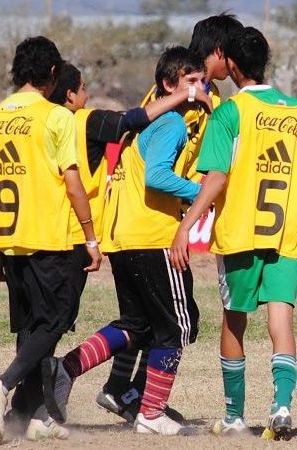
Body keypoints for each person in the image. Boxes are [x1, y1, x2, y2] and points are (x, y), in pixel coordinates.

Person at [169, 27, 297, 439]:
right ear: (265, 62)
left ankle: (234, 417)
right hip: (286, 234)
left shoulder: (230, 113)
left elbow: (216, 177)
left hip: (240, 235)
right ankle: (282, 406)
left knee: (234, 321)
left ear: (231, 65)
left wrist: (185, 225)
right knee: (280, 318)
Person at [41, 46, 208, 436]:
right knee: (177, 327)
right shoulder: (172, 123)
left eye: (203, 80)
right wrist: (201, 193)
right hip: (152, 235)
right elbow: (157, 176)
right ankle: (151, 411)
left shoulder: (147, 123)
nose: (201, 88)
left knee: (138, 325)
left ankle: (67, 367)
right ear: (169, 84)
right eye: (192, 81)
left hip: (123, 237)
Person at [94, 13, 245, 425]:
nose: (235, 65)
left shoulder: (178, 85)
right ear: (220, 52)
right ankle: (142, 402)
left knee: (144, 320)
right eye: (232, 55)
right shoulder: (190, 96)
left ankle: (121, 389)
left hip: (132, 218)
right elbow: (159, 165)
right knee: (177, 323)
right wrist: (200, 194)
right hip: (150, 220)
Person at [0, 36, 102, 444]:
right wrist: (91, 236)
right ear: (52, 72)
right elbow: (72, 181)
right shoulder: (56, 117)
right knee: (55, 321)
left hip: (9, 240)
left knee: (31, 329)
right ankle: (3, 384)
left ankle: (24, 417)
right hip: (48, 237)